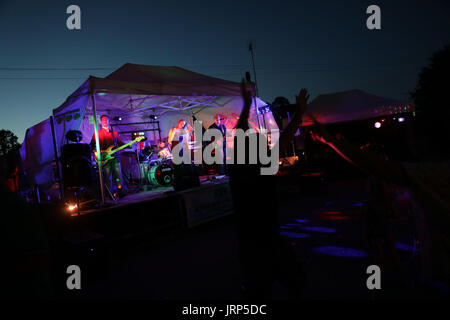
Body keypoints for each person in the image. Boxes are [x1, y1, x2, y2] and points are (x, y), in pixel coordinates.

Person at [308, 114, 450, 285]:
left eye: (412, 137)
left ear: (427, 140)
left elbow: (375, 167)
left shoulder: (435, 173)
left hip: (380, 215)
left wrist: (329, 140)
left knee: (382, 248)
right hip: (380, 214)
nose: (410, 143)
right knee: (384, 248)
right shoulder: (433, 172)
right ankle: (390, 280)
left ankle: (384, 283)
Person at [228, 80, 309, 299]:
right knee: (296, 283)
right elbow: (284, 139)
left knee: (259, 293)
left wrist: (246, 106)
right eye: (262, 143)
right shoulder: (260, 169)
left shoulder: (237, 171)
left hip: (249, 246)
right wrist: (299, 112)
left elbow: (242, 129)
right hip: (268, 243)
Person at [90, 115, 125, 195]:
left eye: (106, 120)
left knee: (118, 176)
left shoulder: (114, 133)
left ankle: (120, 192)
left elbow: (119, 143)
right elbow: (91, 145)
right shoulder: (97, 133)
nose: (105, 121)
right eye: (103, 120)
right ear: (101, 122)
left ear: (109, 121)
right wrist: (96, 153)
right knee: (108, 177)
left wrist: (130, 144)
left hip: (115, 157)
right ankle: (109, 194)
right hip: (104, 158)